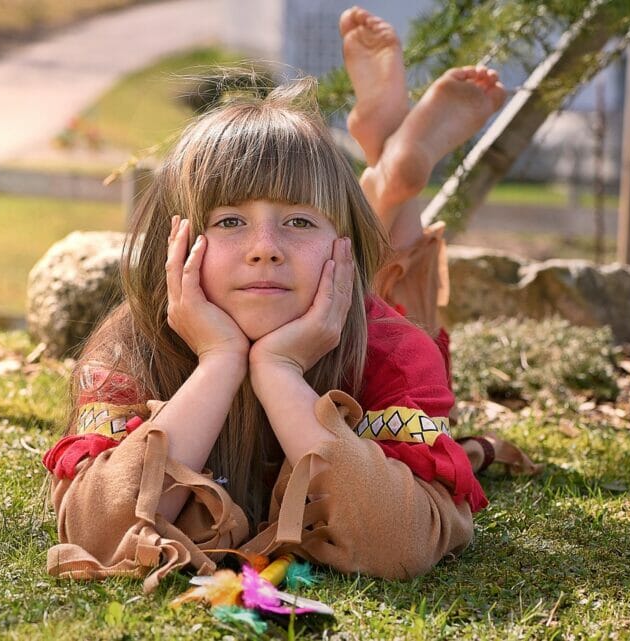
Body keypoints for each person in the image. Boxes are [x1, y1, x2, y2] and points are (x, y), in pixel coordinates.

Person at [41, 9, 536, 593]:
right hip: (325, 275)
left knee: (396, 291)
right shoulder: (131, 345)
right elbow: (98, 532)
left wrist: (277, 371)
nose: (264, 250)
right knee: (351, 265)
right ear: (170, 242)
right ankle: (388, 166)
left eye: (299, 220)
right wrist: (219, 361)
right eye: (228, 221)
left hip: (361, 317)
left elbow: (399, 543)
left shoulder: (392, 350)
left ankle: (389, 171)